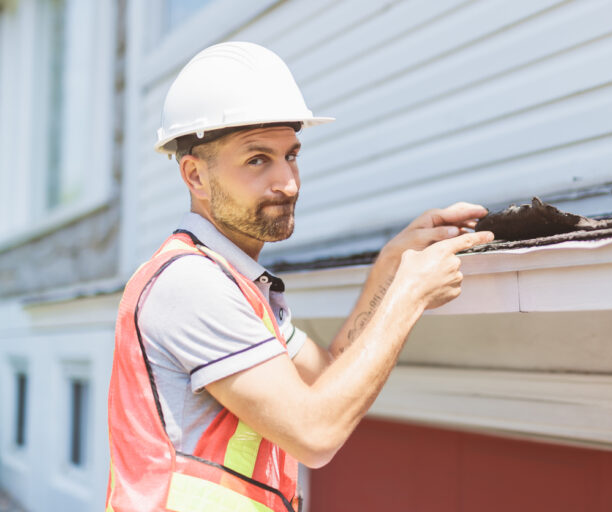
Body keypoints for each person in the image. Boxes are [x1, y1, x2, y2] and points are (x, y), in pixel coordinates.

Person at [105, 42, 492, 512]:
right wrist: (408, 296)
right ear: (196, 177)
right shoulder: (190, 284)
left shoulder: (237, 283)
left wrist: (390, 270)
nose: (288, 183)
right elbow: (315, 433)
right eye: (257, 160)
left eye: (291, 155)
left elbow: (328, 376)